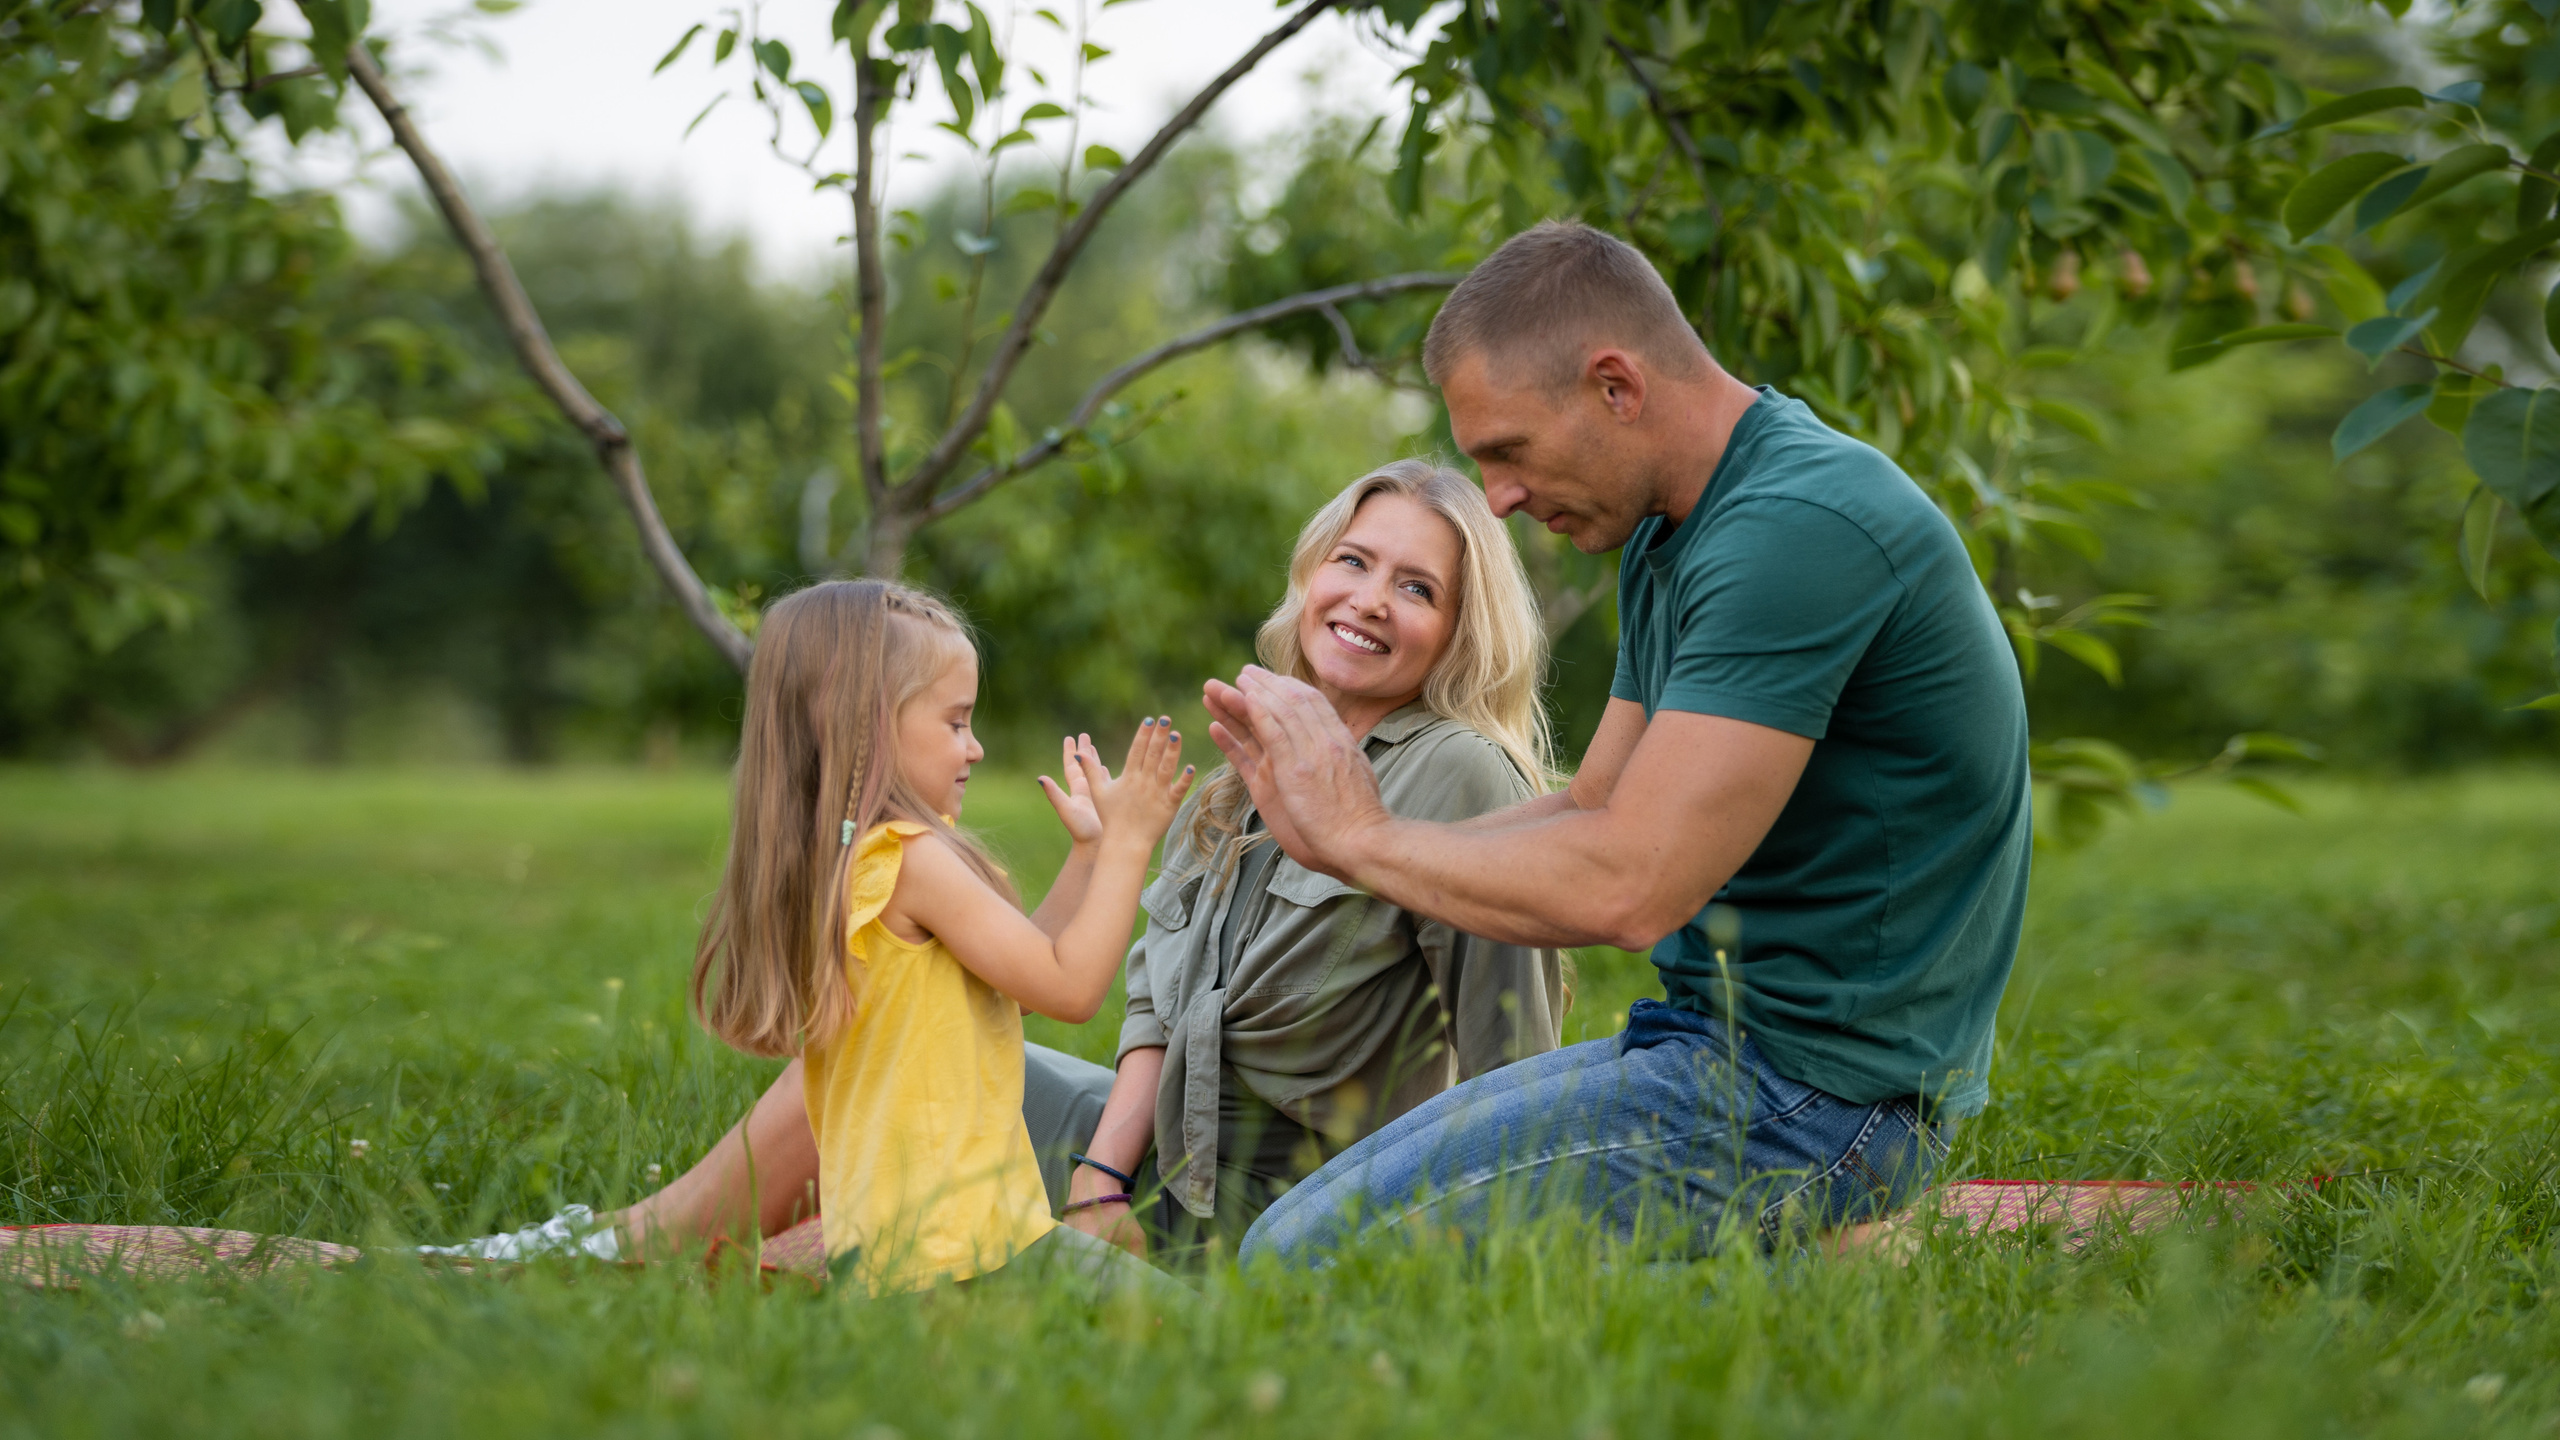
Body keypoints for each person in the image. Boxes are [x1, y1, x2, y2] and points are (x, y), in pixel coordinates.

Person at [1206, 220, 2035, 1264]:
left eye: (1508, 452)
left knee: (1300, 1260)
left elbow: (1631, 888)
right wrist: (1332, 842)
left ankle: (1849, 1249)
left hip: (1823, 1103)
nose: (1497, 500)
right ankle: (1818, 1264)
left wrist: (1362, 838)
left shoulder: (1800, 526)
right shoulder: (1671, 531)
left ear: (1614, 386)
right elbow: (1592, 805)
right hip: (1705, 1045)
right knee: (1298, 1228)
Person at [599, 462, 1567, 1264]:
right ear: (1311, 574)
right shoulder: (1248, 756)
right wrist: (1101, 1181)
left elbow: (1512, 1053)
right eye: (1352, 561)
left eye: (1417, 587)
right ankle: (618, 1244)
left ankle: (676, 1261)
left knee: (851, 1251)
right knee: (894, 1058)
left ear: (1459, 629)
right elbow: (1158, 1004)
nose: (1368, 599)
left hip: (1281, 1208)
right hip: (1155, 1153)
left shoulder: (1460, 775)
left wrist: (1468, 1246)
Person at [682, 578, 1192, 1295]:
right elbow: (1072, 988)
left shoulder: (866, 860)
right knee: (1196, 1324)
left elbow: (1007, 987)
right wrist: (1129, 848)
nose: (976, 747)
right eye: (956, 722)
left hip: (929, 1242)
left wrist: (1086, 858)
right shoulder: (913, 860)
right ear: (867, 725)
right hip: (965, 1251)